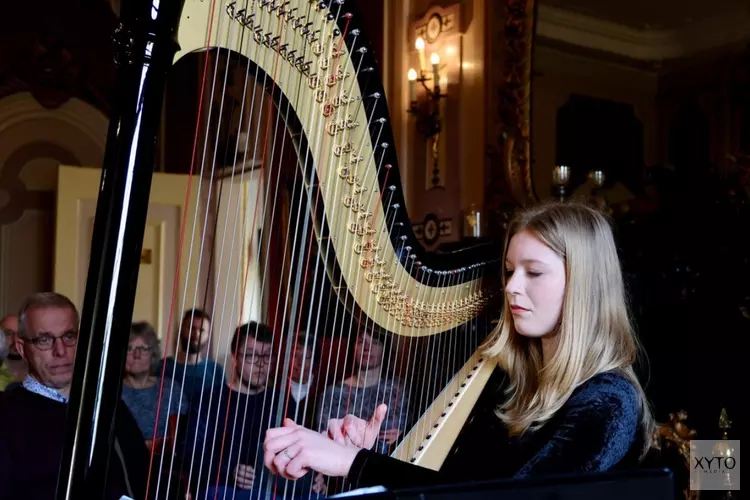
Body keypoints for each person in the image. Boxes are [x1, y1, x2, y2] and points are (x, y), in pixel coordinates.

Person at [261, 202, 655, 490]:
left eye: (533, 272)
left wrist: (356, 463)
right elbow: (452, 483)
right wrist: (366, 457)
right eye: (509, 271)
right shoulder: (511, 385)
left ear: (583, 285)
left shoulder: (609, 401)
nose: (512, 286)